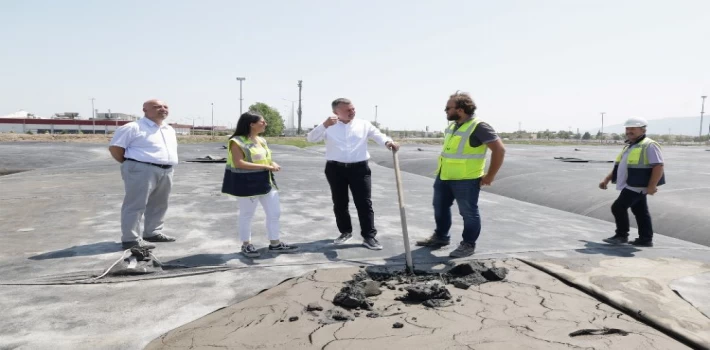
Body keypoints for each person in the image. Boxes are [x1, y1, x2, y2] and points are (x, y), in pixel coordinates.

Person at [416, 91, 506, 258]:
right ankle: (441, 237)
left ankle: (468, 244)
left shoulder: (479, 126)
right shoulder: (453, 126)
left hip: (466, 179)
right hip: (444, 177)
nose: (445, 111)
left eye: (448, 108)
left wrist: (490, 176)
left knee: (468, 213)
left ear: (461, 110)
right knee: (440, 207)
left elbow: (499, 150)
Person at [306, 98, 399, 250]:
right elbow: (310, 139)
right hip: (335, 169)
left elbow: (378, 135)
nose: (352, 112)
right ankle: (345, 232)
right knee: (340, 202)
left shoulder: (363, 124)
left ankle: (369, 236)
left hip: (360, 169)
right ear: (336, 112)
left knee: (364, 203)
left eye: (353, 109)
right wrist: (324, 125)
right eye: (347, 110)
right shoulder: (328, 126)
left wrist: (388, 142)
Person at [222, 111, 298, 258]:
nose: (265, 124)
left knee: (274, 213)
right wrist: (266, 167)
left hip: (265, 182)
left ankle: (275, 243)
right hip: (247, 184)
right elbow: (239, 163)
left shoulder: (262, 140)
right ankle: (246, 244)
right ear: (251, 124)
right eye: (262, 122)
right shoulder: (237, 141)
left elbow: (266, 158)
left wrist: (272, 163)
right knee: (247, 215)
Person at [109, 99, 178, 250]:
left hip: (166, 170)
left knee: (160, 204)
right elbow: (115, 148)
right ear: (145, 110)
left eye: (165, 106)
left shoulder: (168, 129)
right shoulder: (133, 127)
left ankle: (153, 232)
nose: (162, 109)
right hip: (142, 169)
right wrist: (131, 164)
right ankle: (130, 239)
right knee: (135, 204)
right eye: (157, 107)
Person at [599, 117, 665, 247]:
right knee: (640, 211)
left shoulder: (649, 145)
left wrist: (652, 186)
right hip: (631, 183)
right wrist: (606, 180)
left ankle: (621, 235)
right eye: (627, 128)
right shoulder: (630, 145)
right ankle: (645, 239)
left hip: (638, 185)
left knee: (618, 207)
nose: (629, 131)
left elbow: (658, 166)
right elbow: (620, 166)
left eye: (632, 129)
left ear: (642, 130)